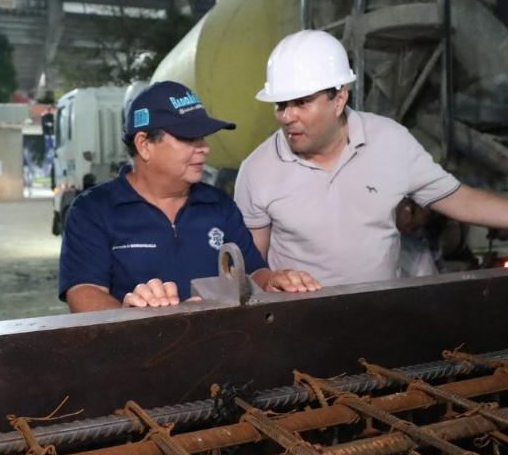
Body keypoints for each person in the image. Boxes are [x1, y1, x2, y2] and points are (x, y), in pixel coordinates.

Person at [234, 30, 508, 285]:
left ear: (339, 96)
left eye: (300, 103)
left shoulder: (390, 142)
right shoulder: (259, 169)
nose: (286, 117)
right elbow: (253, 265)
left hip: (378, 316)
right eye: (279, 105)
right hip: (298, 325)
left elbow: (462, 200)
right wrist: (269, 280)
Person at [59, 81, 320, 311]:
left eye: (203, 137)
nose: (204, 148)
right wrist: (132, 319)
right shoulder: (93, 210)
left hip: (215, 350)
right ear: (145, 144)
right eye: (188, 139)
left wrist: (272, 280)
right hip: (135, 356)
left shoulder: (218, 205)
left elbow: (253, 271)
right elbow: (84, 293)